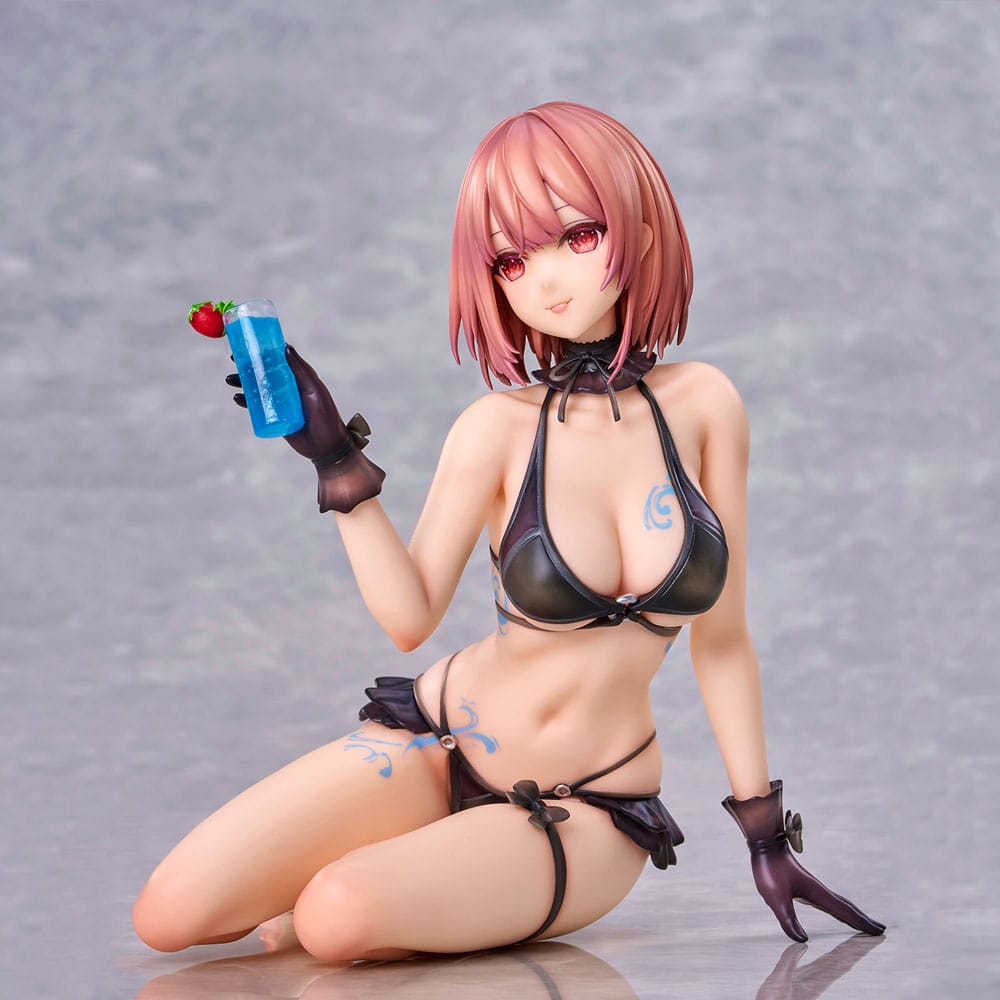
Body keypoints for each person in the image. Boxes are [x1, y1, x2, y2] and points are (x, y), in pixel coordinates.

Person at [133, 102, 884, 961]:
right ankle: (414, 879)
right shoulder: (494, 427)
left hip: (590, 800)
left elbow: (724, 642)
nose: (547, 280)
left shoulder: (706, 404)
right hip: (439, 737)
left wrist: (765, 838)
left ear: (640, 226)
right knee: (169, 915)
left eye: (579, 235)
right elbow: (409, 617)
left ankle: (394, 892)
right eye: (512, 260)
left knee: (335, 917)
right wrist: (336, 460)